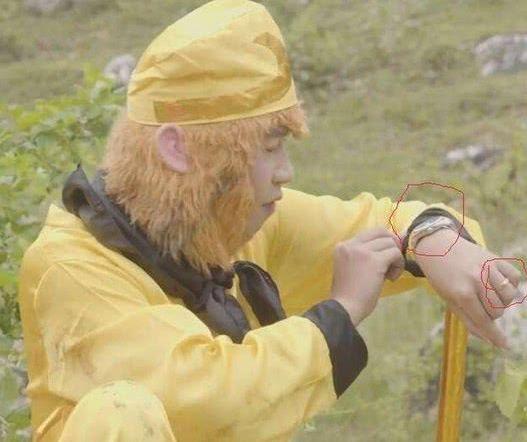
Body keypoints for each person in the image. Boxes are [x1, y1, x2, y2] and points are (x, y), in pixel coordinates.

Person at [17, 1, 524, 441]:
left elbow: (385, 220)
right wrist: (342, 311)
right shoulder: (68, 268)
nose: (285, 171)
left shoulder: (234, 227)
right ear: (177, 149)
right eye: (268, 147)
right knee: (121, 411)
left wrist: (433, 237)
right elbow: (207, 403)